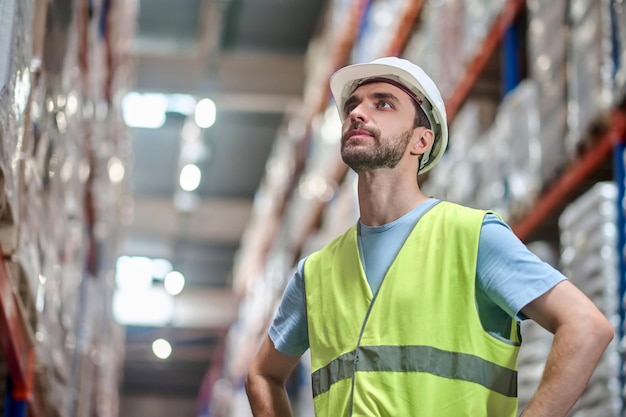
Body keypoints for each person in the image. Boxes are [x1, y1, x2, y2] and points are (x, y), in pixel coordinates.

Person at [244, 57, 614, 417]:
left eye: (383, 104)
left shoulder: (471, 238)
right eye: (352, 105)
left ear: (421, 140)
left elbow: (586, 327)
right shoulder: (315, 274)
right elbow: (262, 374)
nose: (356, 113)